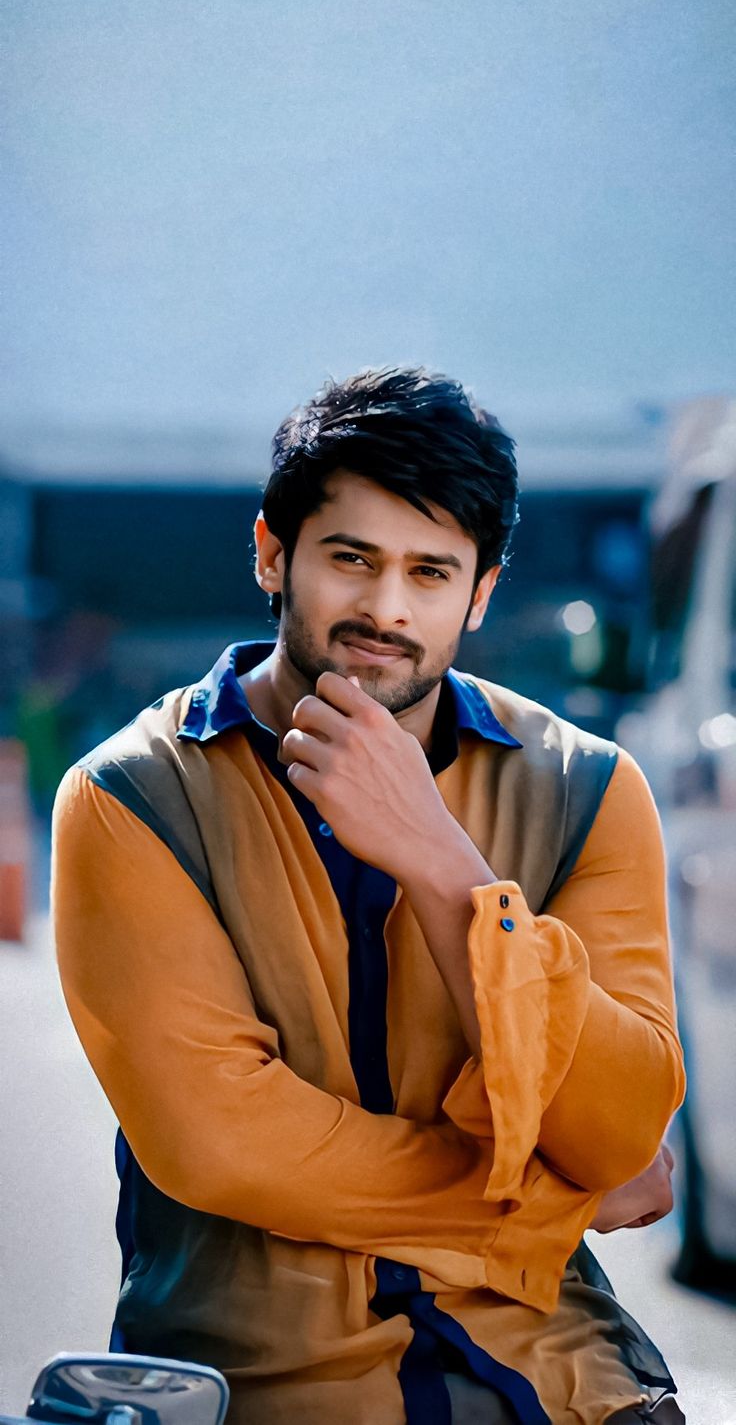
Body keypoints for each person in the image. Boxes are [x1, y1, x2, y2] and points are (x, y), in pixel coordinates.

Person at [51, 368, 687, 1425]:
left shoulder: (588, 789)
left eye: (431, 574)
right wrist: (537, 1207)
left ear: (479, 593)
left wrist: (444, 866)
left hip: (565, 1385)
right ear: (272, 551)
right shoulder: (130, 797)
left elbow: (620, 1131)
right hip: (263, 1390)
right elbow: (224, 1140)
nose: (387, 609)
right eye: (352, 559)